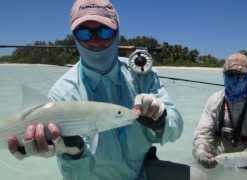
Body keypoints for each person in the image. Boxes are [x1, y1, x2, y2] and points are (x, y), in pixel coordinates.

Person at [7, 0, 183, 179]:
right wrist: (74, 153)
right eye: (84, 33)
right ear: (74, 36)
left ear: (117, 32)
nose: (96, 41)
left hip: (143, 171)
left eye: (105, 31)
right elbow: (77, 177)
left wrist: (161, 120)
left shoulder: (142, 75)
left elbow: (176, 130)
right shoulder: (61, 94)